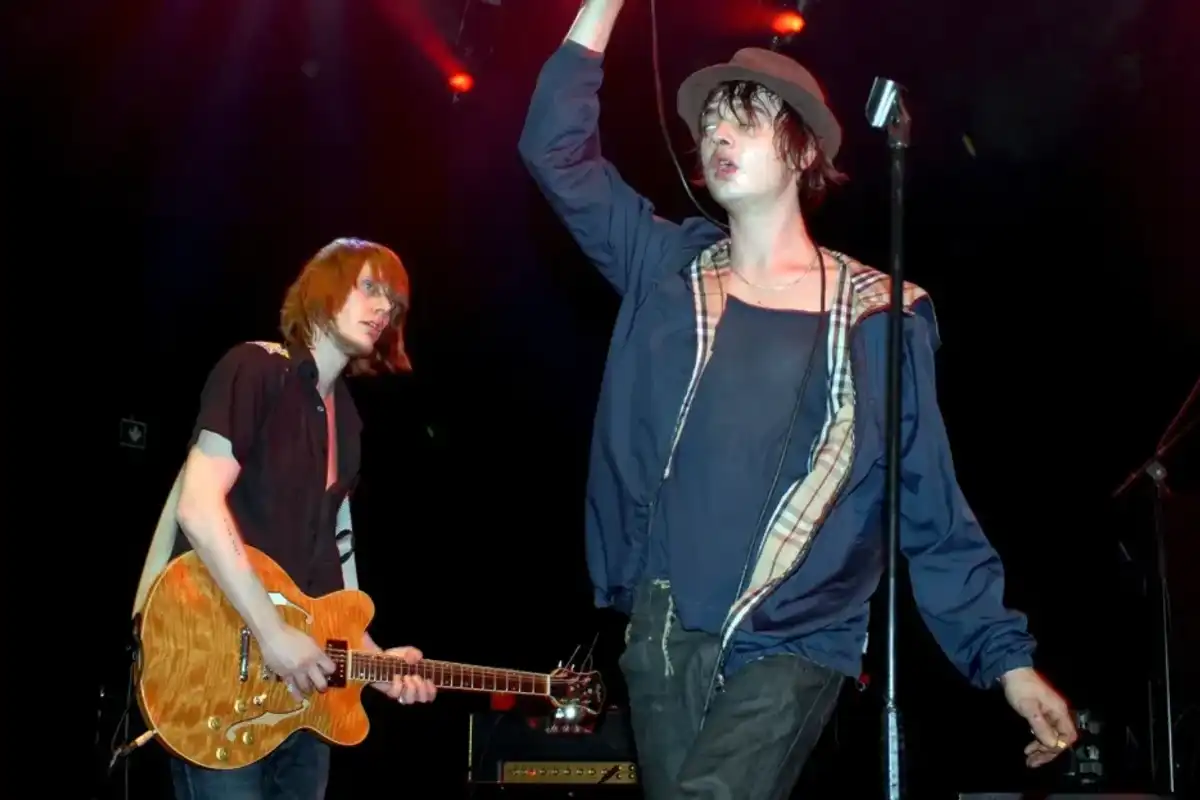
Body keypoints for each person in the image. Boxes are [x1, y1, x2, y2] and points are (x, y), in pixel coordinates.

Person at [517, 2, 1078, 797]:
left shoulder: (880, 315)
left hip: (798, 634)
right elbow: (554, 149)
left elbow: (928, 501)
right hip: (668, 630)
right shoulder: (667, 268)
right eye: (709, 124)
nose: (717, 136)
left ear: (804, 147)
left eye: (743, 118)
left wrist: (1006, 659)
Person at [131, 238, 437, 800]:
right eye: (369, 287)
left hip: (301, 692)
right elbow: (199, 506)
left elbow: (331, 568)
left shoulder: (348, 422)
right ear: (323, 288)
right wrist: (272, 635)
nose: (383, 308)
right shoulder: (255, 367)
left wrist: (374, 661)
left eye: (392, 301)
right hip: (213, 662)